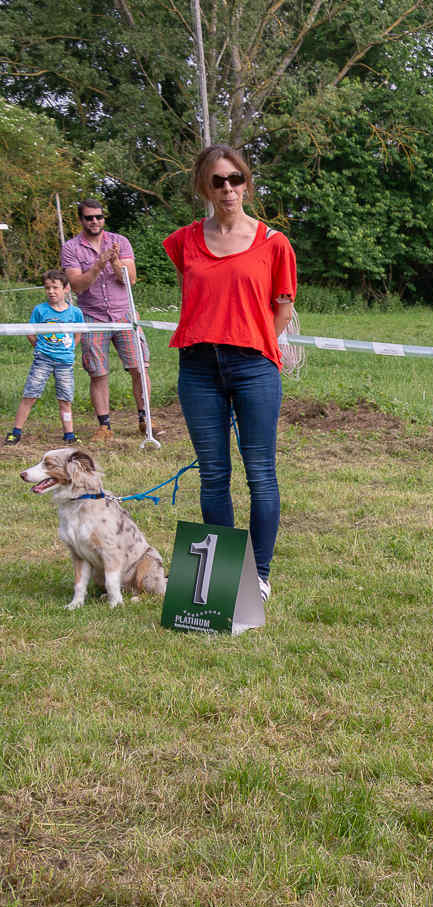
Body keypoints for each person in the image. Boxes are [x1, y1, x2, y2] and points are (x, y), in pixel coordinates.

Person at [163, 144, 297, 605]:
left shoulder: (272, 243)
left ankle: (258, 575)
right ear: (204, 185)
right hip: (197, 368)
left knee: (260, 473)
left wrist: (256, 341)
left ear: (247, 183)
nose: (228, 189)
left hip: (254, 366)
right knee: (214, 475)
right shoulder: (184, 241)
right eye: (218, 181)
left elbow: (283, 307)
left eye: (235, 179)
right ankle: (220, 582)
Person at [60, 198, 149, 442]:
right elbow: (77, 286)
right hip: (92, 316)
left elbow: (129, 279)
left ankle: (146, 419)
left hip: (124, 315)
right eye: (89, 217)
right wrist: (99, 264)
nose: (95, 221)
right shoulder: (71, 248)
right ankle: (104, 425)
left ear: (103, 218)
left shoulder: (120, 242)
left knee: (139, 368)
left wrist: (115, 262)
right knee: (98, 373)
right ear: (81, 220)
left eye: (98, 217)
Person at [5, 270, 82, 446]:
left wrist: (69, 350)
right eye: (47, 288)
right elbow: (30, 332)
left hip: (65, 362)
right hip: (43, 360)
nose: (51, 291)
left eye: (55, 287)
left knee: (65, 398)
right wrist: (41, 348)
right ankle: (16, 432)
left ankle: (69, 434)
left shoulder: (75, 313)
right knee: (30, 394)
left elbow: (79, 334)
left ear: (66, 289)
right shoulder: (40, 310)